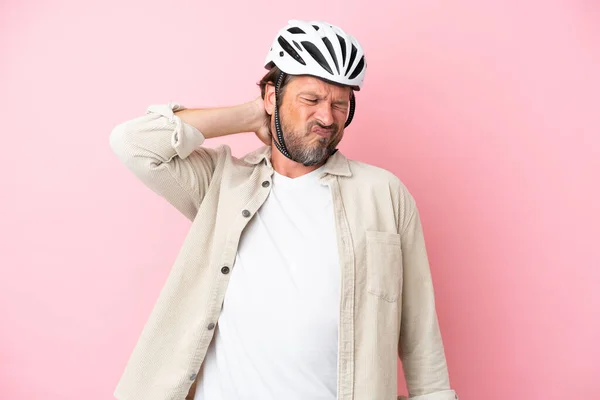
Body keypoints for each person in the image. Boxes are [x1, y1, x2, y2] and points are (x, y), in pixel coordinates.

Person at [109, 19, 458, 400]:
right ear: (273, 98)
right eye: (311, 100)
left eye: (340, 104)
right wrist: (247, 115)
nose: (327, 118)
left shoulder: (384, 195)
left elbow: (420, 329)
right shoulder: (222, 183)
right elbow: (134, 143)